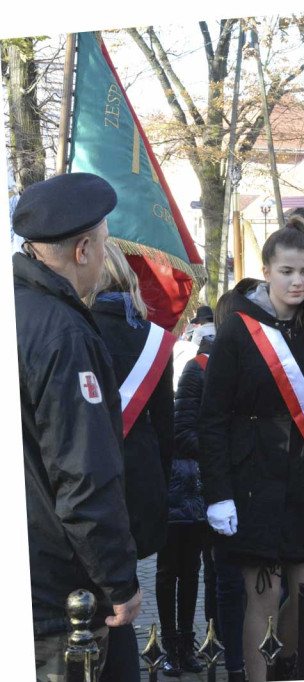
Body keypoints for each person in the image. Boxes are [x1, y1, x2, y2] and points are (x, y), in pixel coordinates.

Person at [198, 217, 304, 682]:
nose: (297, 281)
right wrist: (219, 492)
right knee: (262, 600)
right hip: (252, 486)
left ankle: (288, 669)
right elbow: (212, 421)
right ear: (266, 269)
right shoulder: (237, 332)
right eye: (287, 271)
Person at [14, 173, 142, 681]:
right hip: (61, 596)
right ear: (84, 249)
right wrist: (120, 583)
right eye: (106, 242)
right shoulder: (62, 332)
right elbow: (83, 475)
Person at [89, 242, 176, 682]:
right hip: (139, 474)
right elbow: (166, 426)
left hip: (89, 473)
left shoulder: (77, 328)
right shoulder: (154, 339)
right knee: (124, 585)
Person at [164, 295, 230, 677]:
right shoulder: (195, 364)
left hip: (204, 481)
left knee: (205, 568)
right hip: (184, 481)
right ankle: (179, 643)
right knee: (178, 569)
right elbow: (182, 428)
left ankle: (204, 637)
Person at [173, 305, 213, 387]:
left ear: (202, 319)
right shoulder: (219, 327)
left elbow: (194, 347)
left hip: (202, 361)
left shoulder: (198, 331)